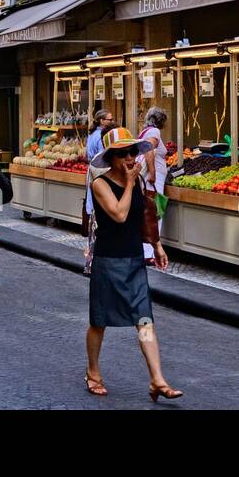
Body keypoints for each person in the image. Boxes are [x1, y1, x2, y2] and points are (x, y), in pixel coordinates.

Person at [85, 127, 181, 402]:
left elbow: (143, 216)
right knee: (99, 321)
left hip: (133, 259)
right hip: (108, 260)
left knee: (144, 319)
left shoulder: (137, 181)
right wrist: (128, 183)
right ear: (111, 158)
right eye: (123, 153)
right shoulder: (100, 184)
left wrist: (157, 245)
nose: (130, 158)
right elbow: (119, 214)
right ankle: (93, 372)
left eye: (132, 152)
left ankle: (157, 379)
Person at [83, 109, 116, 274]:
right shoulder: (102, 156)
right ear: (101, 121)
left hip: (95, 189)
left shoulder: (92, 135)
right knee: (99, 231)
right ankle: (95, 265)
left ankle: (92, 264)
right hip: (101, 198)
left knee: (94, 231)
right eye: (109, 119)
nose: (111, 120)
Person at [138, 107, 170, 265]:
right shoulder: (154, 132)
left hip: (150, 180)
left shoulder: (146, 131)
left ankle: (146, 250)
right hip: (153, 181)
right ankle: (149, 252)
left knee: (149, 212)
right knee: (153, 213)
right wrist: (152, 173)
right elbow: (148, 149)